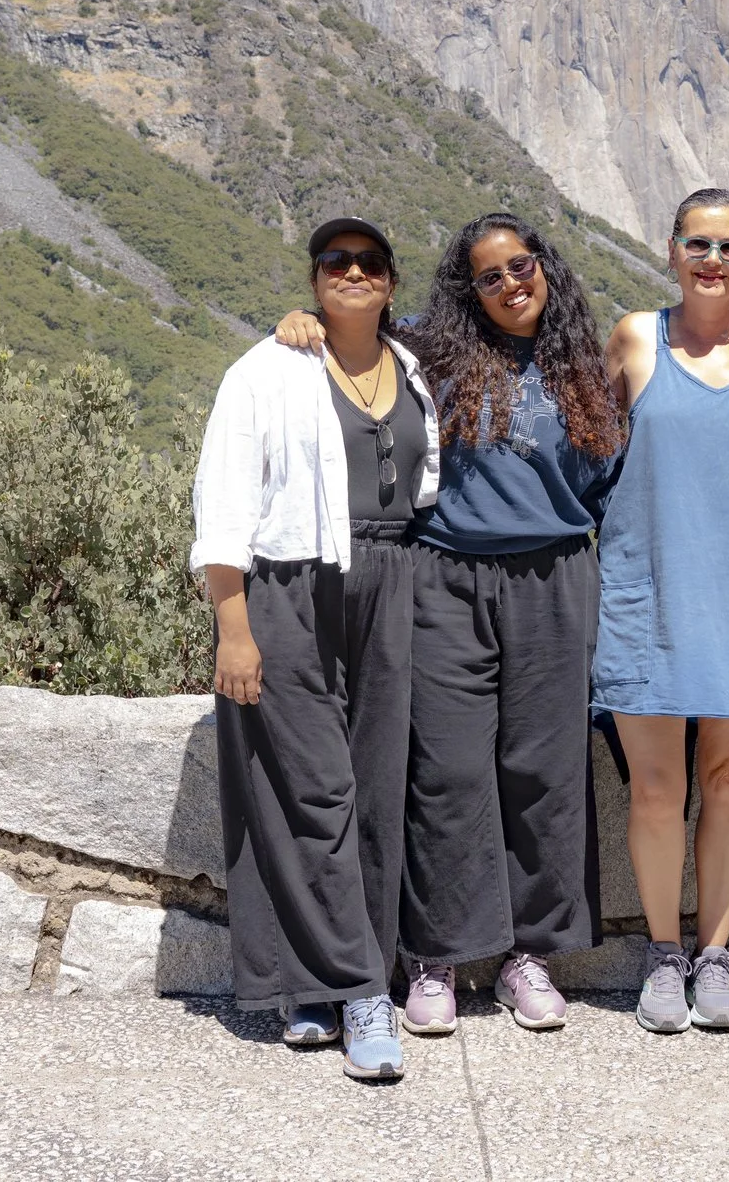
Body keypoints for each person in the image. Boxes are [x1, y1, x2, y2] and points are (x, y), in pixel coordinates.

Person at [276, 213, 622, 1034]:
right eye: (489, 275)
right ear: (468, 290)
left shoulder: (584, 367)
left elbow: (610, 486)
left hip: (555, 577)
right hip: (445, 580)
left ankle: (528, 956)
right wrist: (299, 323)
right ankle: (437, 958)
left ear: (547, 268)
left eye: (521, 265)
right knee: (447, 771)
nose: (510, 284)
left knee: (545, 770)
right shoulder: (429, 351)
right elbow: (354, 327)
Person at [189, 217, 440, 1083]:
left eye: (370, 263)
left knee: (373, 793)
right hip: (294, 587)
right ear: (314, 277)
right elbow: (223, 504)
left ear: (391, 283)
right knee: (311, 789)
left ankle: (312, 987)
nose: (354, 273)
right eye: (336, 262)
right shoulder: (266, 371)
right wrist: (234, 625)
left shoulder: (412, 370)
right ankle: (364, 991)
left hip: (394, 584)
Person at [595, 187, 729, 1033]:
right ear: (671, 250)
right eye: (698, 244)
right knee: (655, 788)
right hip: (650, 592)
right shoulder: (635, 337)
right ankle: (660, 954)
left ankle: (714, 955)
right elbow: (592, 435)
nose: (713, 261)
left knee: (726, 782)